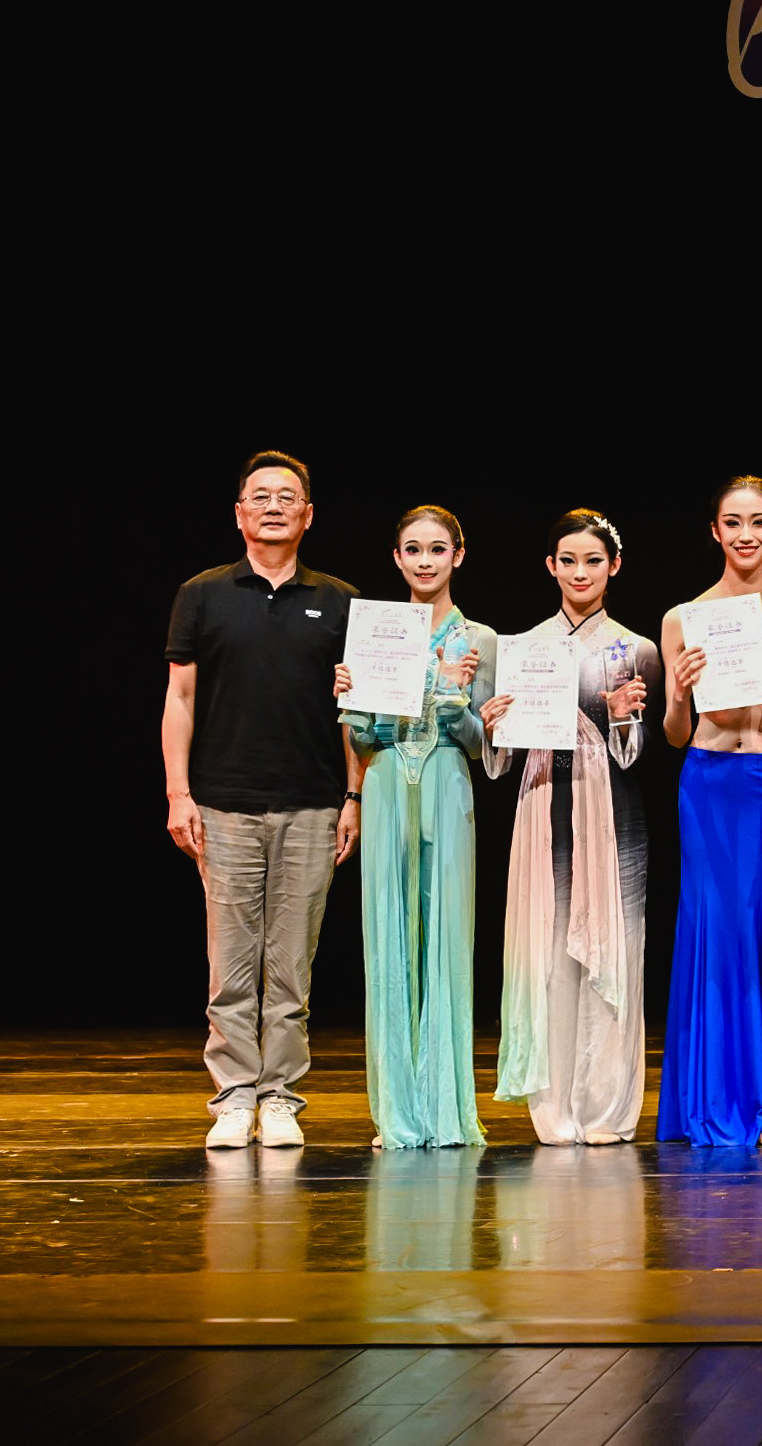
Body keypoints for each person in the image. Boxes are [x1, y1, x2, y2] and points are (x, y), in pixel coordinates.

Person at [162, 451, 361, 1151]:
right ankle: (233, 1095)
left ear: (308, 514)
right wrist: (178, 792)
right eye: (260, 495)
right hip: (223, 803)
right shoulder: (202, 594)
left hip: (311, 804)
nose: (274, 506)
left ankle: (279, 1096)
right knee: (231, 963)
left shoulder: (341, 600)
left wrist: (353, 795)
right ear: (240, 512)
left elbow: (355, 710)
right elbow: (179, 698)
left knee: (291, 965)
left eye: (287, 496)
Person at [476, 510, 656, 1145]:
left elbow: (634, 757)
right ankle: (552, 1110)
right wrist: (493, 727)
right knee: (548, 957)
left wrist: (621, 716)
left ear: (614, 566)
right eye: (569, 561)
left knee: (613, 949)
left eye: (594, 561)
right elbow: (502, 761)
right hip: (543, 809)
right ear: (550, 566)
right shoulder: (522, 647)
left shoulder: (635, 649)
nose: (581, 573)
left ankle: (603, 1107)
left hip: (612, 815)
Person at [657, 476, 762, 1147]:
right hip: (708, 781)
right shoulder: (684, 618)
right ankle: (717, 1100)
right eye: (733, 522)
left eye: (758, 522)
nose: (746, 534)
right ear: (716, 531)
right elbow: (674, 734)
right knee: (716, 930)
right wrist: (678, 692)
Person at [334, 506, 497, 1149]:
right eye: (413, 549)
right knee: (389, 935)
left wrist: (455, 695)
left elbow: (484, 746)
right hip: (384, 785)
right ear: (397, 557)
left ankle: (444, 1108)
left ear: (459, 554)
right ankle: (397, 1111)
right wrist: (352, 698)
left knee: (446, 936)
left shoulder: (479, 639)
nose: (425, 561)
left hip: (446, 783)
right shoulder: (377, 632)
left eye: (437, 549)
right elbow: (363, 738)